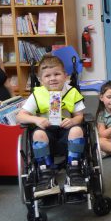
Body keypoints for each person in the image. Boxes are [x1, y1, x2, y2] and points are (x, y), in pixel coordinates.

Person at [16, 55, 86, 197]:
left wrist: (73, 121)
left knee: (78, 129)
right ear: (41, 80)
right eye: (47, 76)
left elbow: (80, 116)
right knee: (37, 134)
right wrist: (36, 119)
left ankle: (74, 171)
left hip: (66, 130)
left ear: (65, 76)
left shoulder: (72, 92)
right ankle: (46, 174)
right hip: (46, 132)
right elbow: (20, 116)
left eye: (57, 74)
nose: (53, 78)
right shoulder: (37, 94)